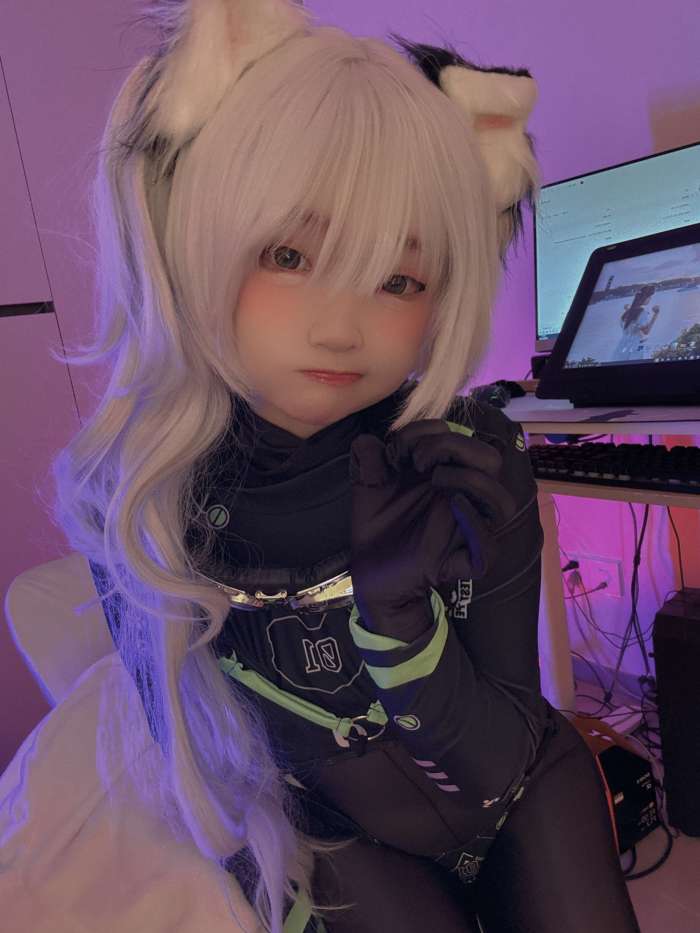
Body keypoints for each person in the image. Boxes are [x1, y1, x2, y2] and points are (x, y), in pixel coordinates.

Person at [50, 1, 641, 931]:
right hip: (341, 837)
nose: (341, 327)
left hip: (526, 791)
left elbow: (508, 760)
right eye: (290, 254)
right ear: (192, 232)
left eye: (399, 278)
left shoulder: (471, 454)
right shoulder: (134, 497)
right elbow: (197, 759)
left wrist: (401, 629)